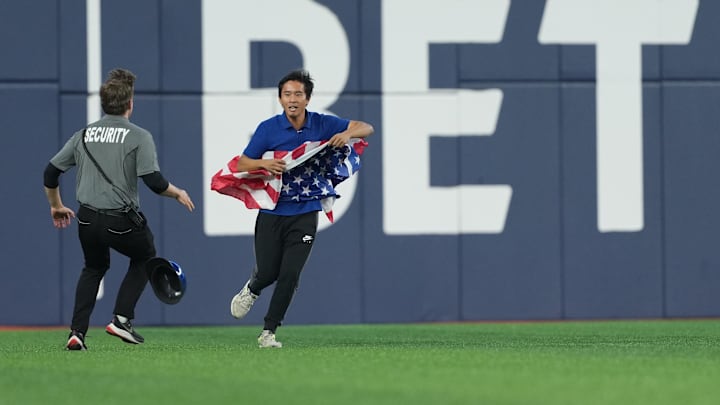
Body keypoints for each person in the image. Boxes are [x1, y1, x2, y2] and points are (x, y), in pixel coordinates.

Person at [43, 68, 195, 351]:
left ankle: (77, 333)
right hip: (120, 221)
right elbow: (154, 182)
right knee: (146, 256)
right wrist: (178, 193)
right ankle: (121, 319)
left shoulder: (84, 134)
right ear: (130, 103)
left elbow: (50, 173)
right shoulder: (139, 136)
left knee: (94, 267)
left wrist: (56, 206)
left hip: (86, 219)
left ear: (104, 103)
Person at [229, 69, 374, 348]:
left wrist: (345, 133)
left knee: (290, 274)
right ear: (280, 99)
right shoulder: (268, 129)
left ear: (307, 99)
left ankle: (269, 332)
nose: (292, 99)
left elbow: (366, 127)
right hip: (272, 211)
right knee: (269, 272)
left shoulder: (322, 124)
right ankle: (253, 288)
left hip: (305, 212)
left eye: (298, 94)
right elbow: (241, 164)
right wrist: (264, 164)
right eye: (287, 94)